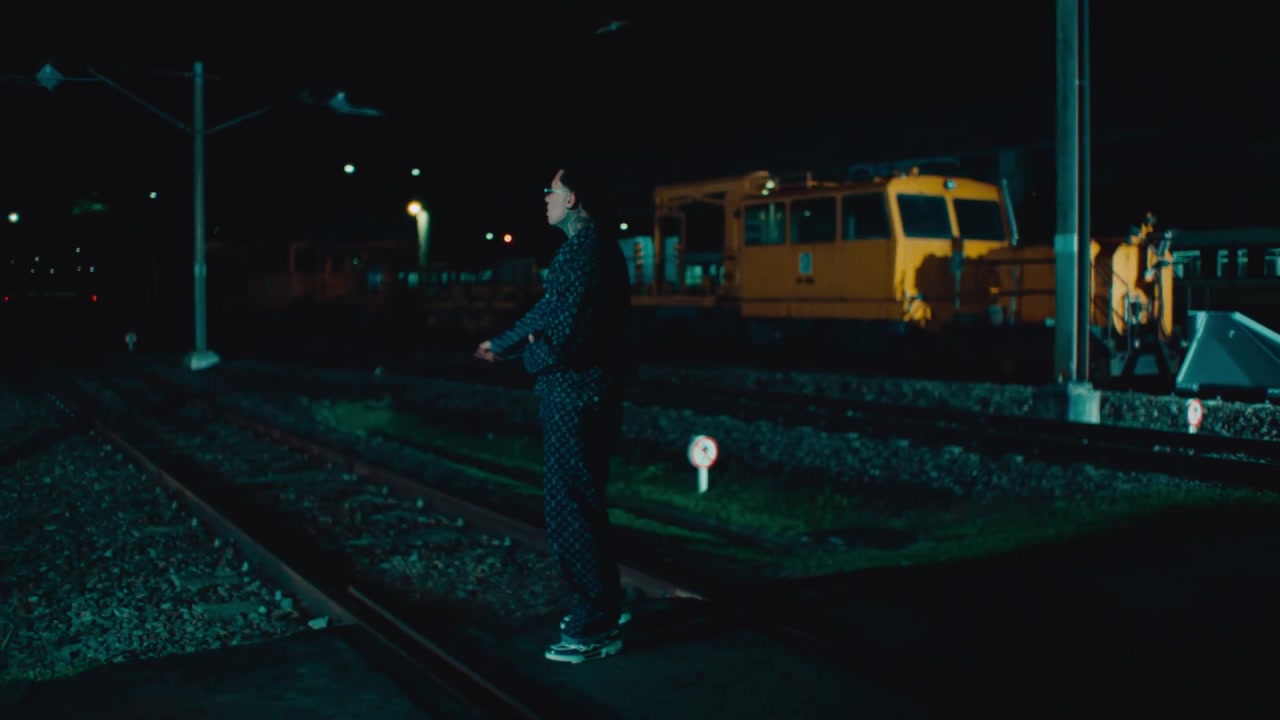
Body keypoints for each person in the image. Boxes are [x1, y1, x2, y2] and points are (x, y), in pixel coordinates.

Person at [474, 165, 632, 663]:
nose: (545, 197)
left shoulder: (580, 254)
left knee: (570, 510)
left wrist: (524, 358)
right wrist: (505, 343)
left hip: (573, 398)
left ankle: (593, 625)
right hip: (590, 395)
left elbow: (562, 340)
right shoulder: (592, 250)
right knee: (584, 503)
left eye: (553, 190)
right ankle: (603, 607)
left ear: (573, 199)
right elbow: (549, 313)